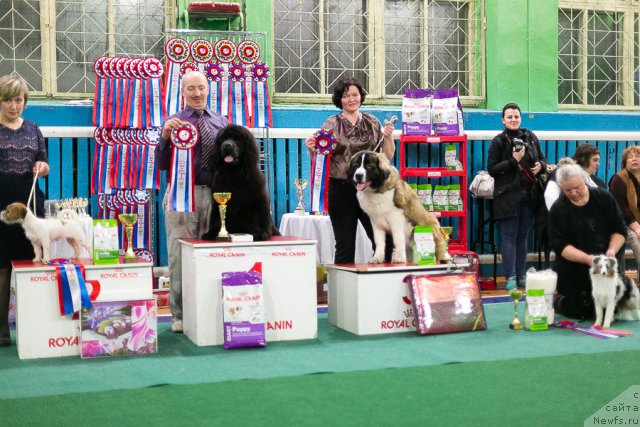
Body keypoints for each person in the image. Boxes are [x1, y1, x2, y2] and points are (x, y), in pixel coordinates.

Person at [155, 71, 229, 333]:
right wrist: (164, 138)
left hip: (216, 196)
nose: (197, 94)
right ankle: (180, 315)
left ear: (208, 89)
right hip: (180, 195)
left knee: (214, 253)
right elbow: (162, 164)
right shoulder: (173, 123)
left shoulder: (221, 121)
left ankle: (212, 311)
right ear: (182, 91)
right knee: (178, 256)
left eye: (201, 88)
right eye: (191, 89)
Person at [304, 77, 395, 264]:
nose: (351, 99)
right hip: (341, 189)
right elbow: (321, 160)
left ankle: (378, 281)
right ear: (340, 99)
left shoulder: (373, 122)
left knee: (384, 241)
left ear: (361, 96)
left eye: (355, 95)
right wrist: (312, 149)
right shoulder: (330, 125)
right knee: (345, 245)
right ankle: (343, 290)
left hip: (370, 190)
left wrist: (388, 137)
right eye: (346, 96)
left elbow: (387, 156)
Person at [0, 75, 50, 346]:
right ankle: (1, 333)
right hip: (1, 206)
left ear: (25, 102)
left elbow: (43, 161)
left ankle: (35, 327)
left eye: (18, 100)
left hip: (30, 205)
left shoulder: (33, 128)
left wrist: (42, 168)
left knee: (32, 262)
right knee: (1, 267)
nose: (13, 106)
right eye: (7, 99)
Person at [549, 161, 626, 320]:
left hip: (607, 266)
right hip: (574, 269)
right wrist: (589, 260)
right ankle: (558, 300)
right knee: (581, 311)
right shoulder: (558, 209)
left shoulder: (604, 198)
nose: (574, 193)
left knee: (614, 311)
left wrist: (612, 250)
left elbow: (619, 230)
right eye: (567, 190)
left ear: (585, 180)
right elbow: (561, 246)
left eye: (577, 187)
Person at [487, 102, 547, 290]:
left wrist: (541, 166)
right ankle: (511, 276)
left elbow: (542, 158)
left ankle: (521, 275)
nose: (513, 120)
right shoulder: (498, 141)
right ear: (503, 120)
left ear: (520, 118)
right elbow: (492, 170)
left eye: (516, 117)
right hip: (507, 196)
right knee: (508, 237)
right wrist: (514, 161)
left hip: (529, 194)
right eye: (510, 117)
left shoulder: (530, 136)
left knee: (523, 237)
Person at [544, 143, 605, 211]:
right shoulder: (561, 173)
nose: (598, 164)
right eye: (595, 160)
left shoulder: (598, 182)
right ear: (583, 160)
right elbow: (549, 196)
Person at [609, 146, 640, 274]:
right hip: (622, 223)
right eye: (630, 157)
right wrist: (637, 227)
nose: (634, 159)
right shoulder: (618, 179)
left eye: (637, 156)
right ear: (625, 162)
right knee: (637, 239)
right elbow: (621, 209)